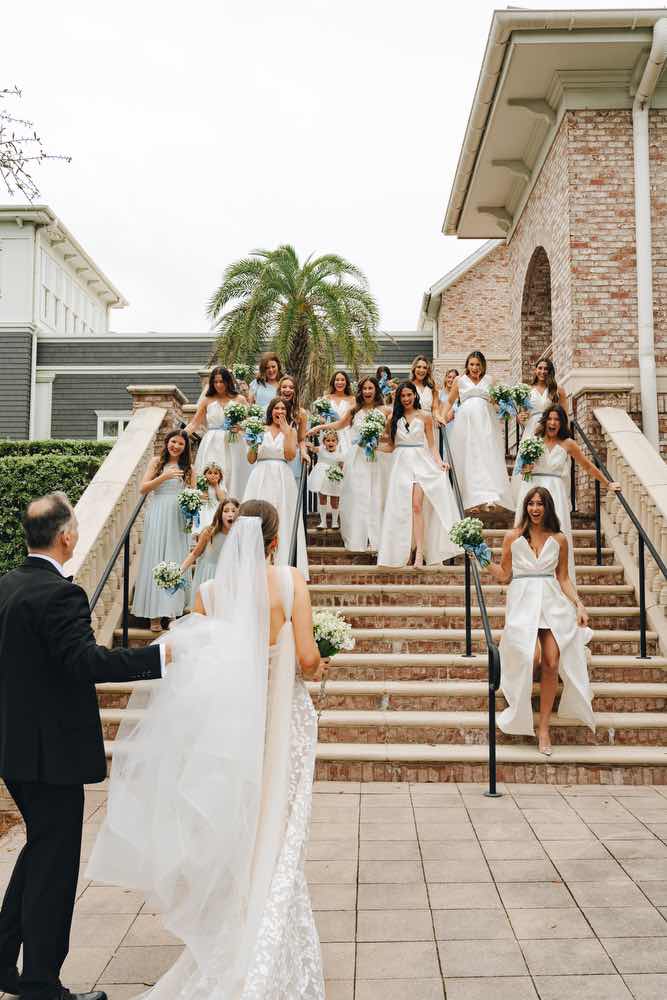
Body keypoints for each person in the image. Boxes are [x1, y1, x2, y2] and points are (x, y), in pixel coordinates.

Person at [86, 501, 326, 1000]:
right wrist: (323, 653)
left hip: (227, 734)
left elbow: (190, 669)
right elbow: (307, 659)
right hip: (276, 724)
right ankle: (267, 933)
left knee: (236, 826)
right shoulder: (289, 583)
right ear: (275, 542)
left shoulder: (209, 593)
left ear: (229, 538)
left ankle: (232, 930)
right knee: (275, 829)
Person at [0, 492, 165, 1000]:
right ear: (67, 536)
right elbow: (85, 663)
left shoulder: (7, 585)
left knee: (40, 849)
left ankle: (5, 961)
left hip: (15, 748)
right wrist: (155, 658)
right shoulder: (59, 595)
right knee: (55, 863)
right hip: (52, 756)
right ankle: (42, 982)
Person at [487, 487, 595, 755]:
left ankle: (543, 728)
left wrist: (579, 604)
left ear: (548, 507)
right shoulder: (512, 537)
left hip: (551, 604)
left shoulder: (559, 539)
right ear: (525, 506)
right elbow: (503, 575)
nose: (535, 509)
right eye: (531, 504)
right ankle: (519, 704)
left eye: (540, 504)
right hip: (523, 604)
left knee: (551, 662)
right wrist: (480, 556)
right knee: (531, 658)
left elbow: (564, 578)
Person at [514, 405, 620, 583]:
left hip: (555, 492)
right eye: (550, 419)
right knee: (528, 532)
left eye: (557, 420)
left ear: (562, 423)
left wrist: (608, 483)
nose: (553, 423)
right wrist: (527, 467)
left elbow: (587, 465)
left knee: (555, 534)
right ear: (545, 420)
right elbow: (521, 469)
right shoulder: (533, 439)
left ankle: (559, 583)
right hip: (533, 487)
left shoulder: (568, 444)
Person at [378, 382, 461, 568]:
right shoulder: (392, 418)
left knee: (417, 505)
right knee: (402, 509)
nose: (406, 399)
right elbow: (391, 446)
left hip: (421, 463)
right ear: (398, 398)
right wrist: (372, 447)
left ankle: (419, 553)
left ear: (415, 395)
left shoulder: (425, 417)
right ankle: (406, 551)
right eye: (403, 396)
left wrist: (440, 462)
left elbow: (432, 445)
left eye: (409, 395)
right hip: (400, 464)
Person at [310, 376, 390, 552]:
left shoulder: (385, 410)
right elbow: (339, 424)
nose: (367, 392)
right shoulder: (354, 410)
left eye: (371, 388)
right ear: (360, 392)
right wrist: (319, 428)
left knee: (375, 496)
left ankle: (375, 539)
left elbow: (390, 435)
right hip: (356, 457)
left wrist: (375, 437)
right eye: (364, 389)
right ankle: (358, 537)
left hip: (376, 457)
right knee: (357, 495)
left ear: (376, 390)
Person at [132, 430, 195, 632]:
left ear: (185, 448)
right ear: (167, 442)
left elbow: (193, 495)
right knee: (156, 558)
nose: (176, 446)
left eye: (180, 444)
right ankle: (154, 614)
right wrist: (165, 476)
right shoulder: (156, 462)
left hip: (178, 517)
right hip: (158, 513)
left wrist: (191, 511)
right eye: (173, 442)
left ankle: (172, 611)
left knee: (175, 559)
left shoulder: (189, 469)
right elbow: (143, 488)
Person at [243, 397, 309, 578]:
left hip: (282, 475)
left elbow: (289, 455)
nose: (279, 411)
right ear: (270, 411)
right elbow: (250, 459)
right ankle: (256, 561)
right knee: (258, 515)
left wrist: (287, 431)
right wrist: (253, 443)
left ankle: (281, 562)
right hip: (260, 474)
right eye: (276, 408)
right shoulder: (260, 429)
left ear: (287, 412)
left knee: (282, 516)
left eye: (282, 408)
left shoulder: (292, 431)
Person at [441, 350, 514, 512]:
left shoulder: (490, 380)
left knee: (487, 456)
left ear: (483, 366)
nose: (474, 368)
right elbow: (450, 401)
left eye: (478, 365)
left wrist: (505, 409)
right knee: (469, 457)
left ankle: (489, 496)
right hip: (465, 423)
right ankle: (471, 500)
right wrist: (442, 416)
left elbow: (496, 403)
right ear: (467, 365)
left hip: (486, 422)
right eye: (472, 364)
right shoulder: (460, 380)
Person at [186, 367, 249, 494]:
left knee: (232, 473)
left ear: (228, 381)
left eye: (222, 381)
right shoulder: (206, 400)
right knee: (212, 472)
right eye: (215, 382)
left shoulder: (239, 399)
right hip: (212, 442)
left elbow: (249, 423)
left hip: (234, 442)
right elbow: (194, 423)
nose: (218, 385)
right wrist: (180, 435)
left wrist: (240, 427)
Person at [182, 497, 240, 603]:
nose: (230, 514)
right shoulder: (209, 532)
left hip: (227, 577)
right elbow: (194, 554)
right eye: (226, 511)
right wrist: (180, 571)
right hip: (207, 576)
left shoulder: (239, 536)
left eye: (234, 511)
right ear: (220, 514)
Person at [519, 358, 568, 439]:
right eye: (540, 368)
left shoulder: (558, 390)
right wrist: (520, 417)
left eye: (546, 369)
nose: (542, 371)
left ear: (550, 371)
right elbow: (522, 415)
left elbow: (564, 415)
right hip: (532, 429)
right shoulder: (527, 390)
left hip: (551, 427)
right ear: (535, 370)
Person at [307, 428, 344, 530]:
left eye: (333, 440)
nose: (330, 443)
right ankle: (323, 522)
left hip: (333, 477)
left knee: (334, 500)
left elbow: (342, 465)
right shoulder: (321, 449)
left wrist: (340, 474)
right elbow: (313, 449)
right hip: (321, 477)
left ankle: (335, 522)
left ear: (337, 441)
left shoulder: (340, 452)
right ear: (324, 442)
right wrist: (309, 445)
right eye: (327, 440)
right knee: (322, 498)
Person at [277, 375, 310, 480]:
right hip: (276, 455)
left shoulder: (301, 413)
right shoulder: (273, 410)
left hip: (293, 457)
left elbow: (301, 440)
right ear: (279, 389)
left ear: (295, 391)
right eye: (284, 387)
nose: (287, 390)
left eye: (291, 387)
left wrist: (304, 452)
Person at [324, 370, 356, 454]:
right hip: (330, 434)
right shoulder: (326, 398)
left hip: (347, 434)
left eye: (342, 380)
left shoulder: (352, 399)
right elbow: (321, 418)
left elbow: (353, 419)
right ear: (333, 382)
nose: (340, 382)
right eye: (337, 380)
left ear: (346, 382)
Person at [193, 462, 225, 538]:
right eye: (209, 473)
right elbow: (197, 495)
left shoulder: (220, 487)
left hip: (214, 511)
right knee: (201, 529)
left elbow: (222, 500)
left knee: (213, 529)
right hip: (203, 511)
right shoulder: (201, 485)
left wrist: (216, 485)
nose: (213, 475)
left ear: (220, 476)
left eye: (216, 473)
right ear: (205, 475)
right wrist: (201, 495)